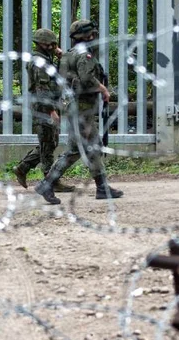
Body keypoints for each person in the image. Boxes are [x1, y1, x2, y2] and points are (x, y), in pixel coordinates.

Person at [35, 19, 124, 205]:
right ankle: (47, 184)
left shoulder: (68, 54)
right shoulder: (84, 55)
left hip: (75, 107)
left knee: (93, 145)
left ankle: (102, 187)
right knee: (77, 149)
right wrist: (103, 89)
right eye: (92, 34)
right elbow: (86, 78)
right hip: (81, 108)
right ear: (88, 36)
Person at [14, 28, 72, 192]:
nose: (55, 47)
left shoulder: (45, 59)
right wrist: (51, 110)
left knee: (49, 142)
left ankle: (23, 168)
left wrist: (61, 58)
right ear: (42, 44)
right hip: (44, 108)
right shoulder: (40, 62)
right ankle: (50, 182)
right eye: (52, 44)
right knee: (48, 145)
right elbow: (42, 89)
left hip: (46, 106)